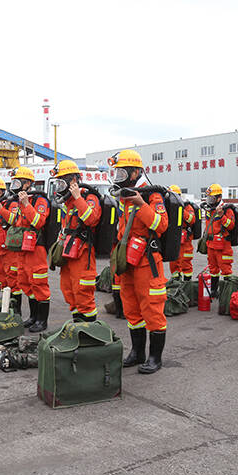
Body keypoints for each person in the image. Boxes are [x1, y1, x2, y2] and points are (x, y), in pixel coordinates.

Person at [109, 149, 169, 374]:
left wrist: (141, 204)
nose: (118, 177)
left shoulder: (151, 196)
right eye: (116, 173)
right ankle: (137, 352)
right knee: (131, 308)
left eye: (122, 172)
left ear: (135, 173)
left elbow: (161, 225)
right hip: (128, 261)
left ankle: (155, 357)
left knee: (152, 309)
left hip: (147, 262)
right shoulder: (125, 197)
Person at [51, 160, 102, 321]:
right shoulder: (67, 202)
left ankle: (89, 332)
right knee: (69, 291)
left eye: (62, 182)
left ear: (73, 180)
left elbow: (91, 219)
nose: (59, 186)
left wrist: (78, 198)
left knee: (83, 294)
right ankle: (77, 328)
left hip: (83, 253)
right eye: (58, 182)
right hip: (68, 251)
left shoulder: (89, 197)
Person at [7, 166, 51, 333]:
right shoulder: (19, 202)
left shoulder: (40, 200)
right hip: (23, 248)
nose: (15, 185)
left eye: (18, 182)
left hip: (36, 248)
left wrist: (26, 204)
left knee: (39, 283)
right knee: (25, 282)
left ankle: (42, 320)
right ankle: (33, 316)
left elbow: (38, 222)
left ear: (27, 184)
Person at [0, 179, 24, 311]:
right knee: (2, 278)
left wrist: (1, 209)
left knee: (13, 279)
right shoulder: (0, 204)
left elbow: (14, 220)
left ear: (1, 192)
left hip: (10, 248)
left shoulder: (11, 204)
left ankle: (16, 311)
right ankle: (5, 308)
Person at [203, 183, 235, 298]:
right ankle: (214, 290)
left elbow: (231, 226)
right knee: (213, 269)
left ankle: (227, 292)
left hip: (223, 245)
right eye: (208, 198)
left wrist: (222, 216)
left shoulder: (226, 210)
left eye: (211, 198)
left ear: (219, 198)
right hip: (211, 244)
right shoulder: (209, 209)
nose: (209, 201)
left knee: (226, 269)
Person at [167, 185, 196, 281]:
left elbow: (192, 220)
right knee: (174, 263)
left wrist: (180, 210)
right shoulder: (168, 207)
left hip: (185, 240)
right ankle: (176, 283)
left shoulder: (187, 206)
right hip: (173, 237)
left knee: (185, 263)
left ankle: (187, 284)